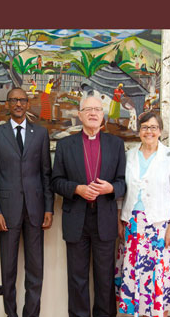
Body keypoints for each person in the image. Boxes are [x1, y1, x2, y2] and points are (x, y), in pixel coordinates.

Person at [51, 95, 126, 317]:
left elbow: (123, 182)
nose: (93, 113)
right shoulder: (65, 145)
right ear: (80, 114)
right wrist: (77, 189)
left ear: (102, 115)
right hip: (76, 218)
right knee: (77, 278)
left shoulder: (116, 144)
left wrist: (110, 189)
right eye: (88, 109)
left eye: (97, 109)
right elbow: (55, 181)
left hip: (104, 218)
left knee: (104, 278)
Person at [0, 87, 53, 317]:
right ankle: (11, 314)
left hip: (35, 210)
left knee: (36, 269)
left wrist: (49, 208)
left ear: (27, 103)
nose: (18, 104)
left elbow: (46, 174)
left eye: (22, 100)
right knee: (8, 270)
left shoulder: (41, 134)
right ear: (7, 104)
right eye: (13, 100)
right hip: (6, 212)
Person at [116, 111, 170, 316]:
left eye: (153, 127)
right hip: (133, 226)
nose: (149, 131)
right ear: (139, 131)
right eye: (145, 127)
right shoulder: (128, 156)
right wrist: (120, 220)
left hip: (160, 227)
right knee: (135, 276)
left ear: (160, 131)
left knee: (159, 278)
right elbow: (122, 193)